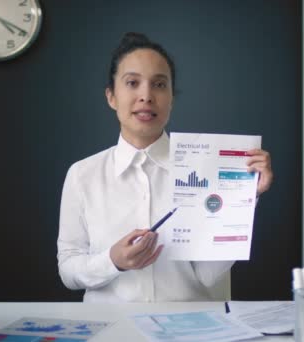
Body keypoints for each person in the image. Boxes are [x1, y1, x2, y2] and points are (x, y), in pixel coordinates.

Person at [57, 32, 273, 303]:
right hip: (113, 328)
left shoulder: (205, 169)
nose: (146, 95)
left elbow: (206, 276)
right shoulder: (82, 175)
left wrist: (244, 198)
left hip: (190, 327)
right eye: (132, 83)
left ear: (171, 98)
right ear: (111, 96)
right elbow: (68, 270)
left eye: (159, 84)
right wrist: (113, 261)